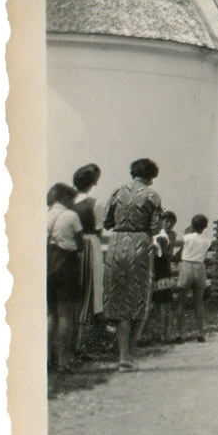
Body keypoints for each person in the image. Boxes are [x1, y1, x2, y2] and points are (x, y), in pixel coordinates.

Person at [103, 158, 163, 370]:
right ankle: (130, 354)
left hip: (117, 244)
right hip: (140, 244)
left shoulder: (117, 192)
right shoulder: (152, 196)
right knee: (139, 299)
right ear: (151, 176)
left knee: (119, 300)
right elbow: (155, 228)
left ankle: (122, 356)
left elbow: (106, 222)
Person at [47, 182, 84, 372]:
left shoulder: (45, 215)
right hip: (66, 265)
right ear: (64, 198)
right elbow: (80, 244)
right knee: (66, 315)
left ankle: (46, 359)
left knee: (50, 314)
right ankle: (63, 361)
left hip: (48, 264)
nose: (73, 203)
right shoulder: (71, 216)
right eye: (72, 199)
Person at [71, 163, 104, 356]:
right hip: (90, 245)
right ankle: (81, 345)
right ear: (93, 183)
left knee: (76, 293)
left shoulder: (68, 202)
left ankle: (73, 343)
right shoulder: (95, 203)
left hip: (71, 247)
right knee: (90, 293)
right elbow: (99, 231)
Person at [175, 214, 212, 341]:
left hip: (187, 266)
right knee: (199, 303)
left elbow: (180, 251)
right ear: (204, 227)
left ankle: (179, 334)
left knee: (181, 302)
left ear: (192, 225)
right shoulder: (207, 241)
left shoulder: (187, 237)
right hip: (200, 267)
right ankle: (200, 332)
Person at [152, 210, 178, 341]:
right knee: (162, 303)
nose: (168, 224)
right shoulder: (160, 237)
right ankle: (162, 334)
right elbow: (166, 255)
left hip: (164, 270)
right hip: (160, 270)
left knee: (165, 303)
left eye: (171, 222)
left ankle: (163, 333)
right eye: (166, 221)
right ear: (162, 222)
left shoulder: (168, 235)